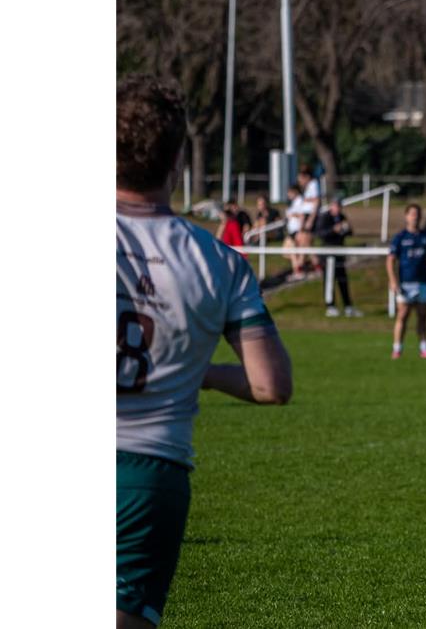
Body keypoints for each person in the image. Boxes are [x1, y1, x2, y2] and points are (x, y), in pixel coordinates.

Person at [117, 75, 293, 629]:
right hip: (152, 475)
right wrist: (207, 374)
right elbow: (271, 385)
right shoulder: (219, 261)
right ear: (177, 162)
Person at [387, 204, 426, 360]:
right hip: (405, 283)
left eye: (417, 213)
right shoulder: (400, 237)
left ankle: (424, 349)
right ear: (406, 216)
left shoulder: (425, 237)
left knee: (422, 316)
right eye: (412, 214)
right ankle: (397, 349)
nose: (414, 216)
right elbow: (390, 260)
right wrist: (393, 280)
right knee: (403, 314)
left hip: (422, 282)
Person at [315, 199, 361, 317]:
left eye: (339, 206)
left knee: (343, 280)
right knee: (329, 280)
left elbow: (349, 232)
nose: (338, 208)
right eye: (336, 206)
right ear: (331, 206)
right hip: (328, 254)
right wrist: (333, 230)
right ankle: (330, 306)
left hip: (339, 254)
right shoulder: (325, 217)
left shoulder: (342, 217)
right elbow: (320, 234)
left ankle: (348, 306)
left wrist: (347, 229)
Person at [295, 164, 322, 269]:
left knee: (306, 241)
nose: (300, 182)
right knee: (303, 241)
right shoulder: (308, 187)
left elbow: (316, 201)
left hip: (310, 216)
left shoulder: (313, 184)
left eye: (301, 179)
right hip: (305, 216)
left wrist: (311, 219)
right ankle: (307, 264)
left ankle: (303, 266)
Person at [284, 185, 311, 279]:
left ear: (294, 191)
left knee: (295, 251)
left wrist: (300, 230)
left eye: (289, 192)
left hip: (297, 230)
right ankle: (299, 268)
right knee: (289, 252)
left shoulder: (300, 201)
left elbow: (302, 215)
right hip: (292, 231)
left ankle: (298, 270)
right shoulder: (294, 202)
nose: (288, 195)